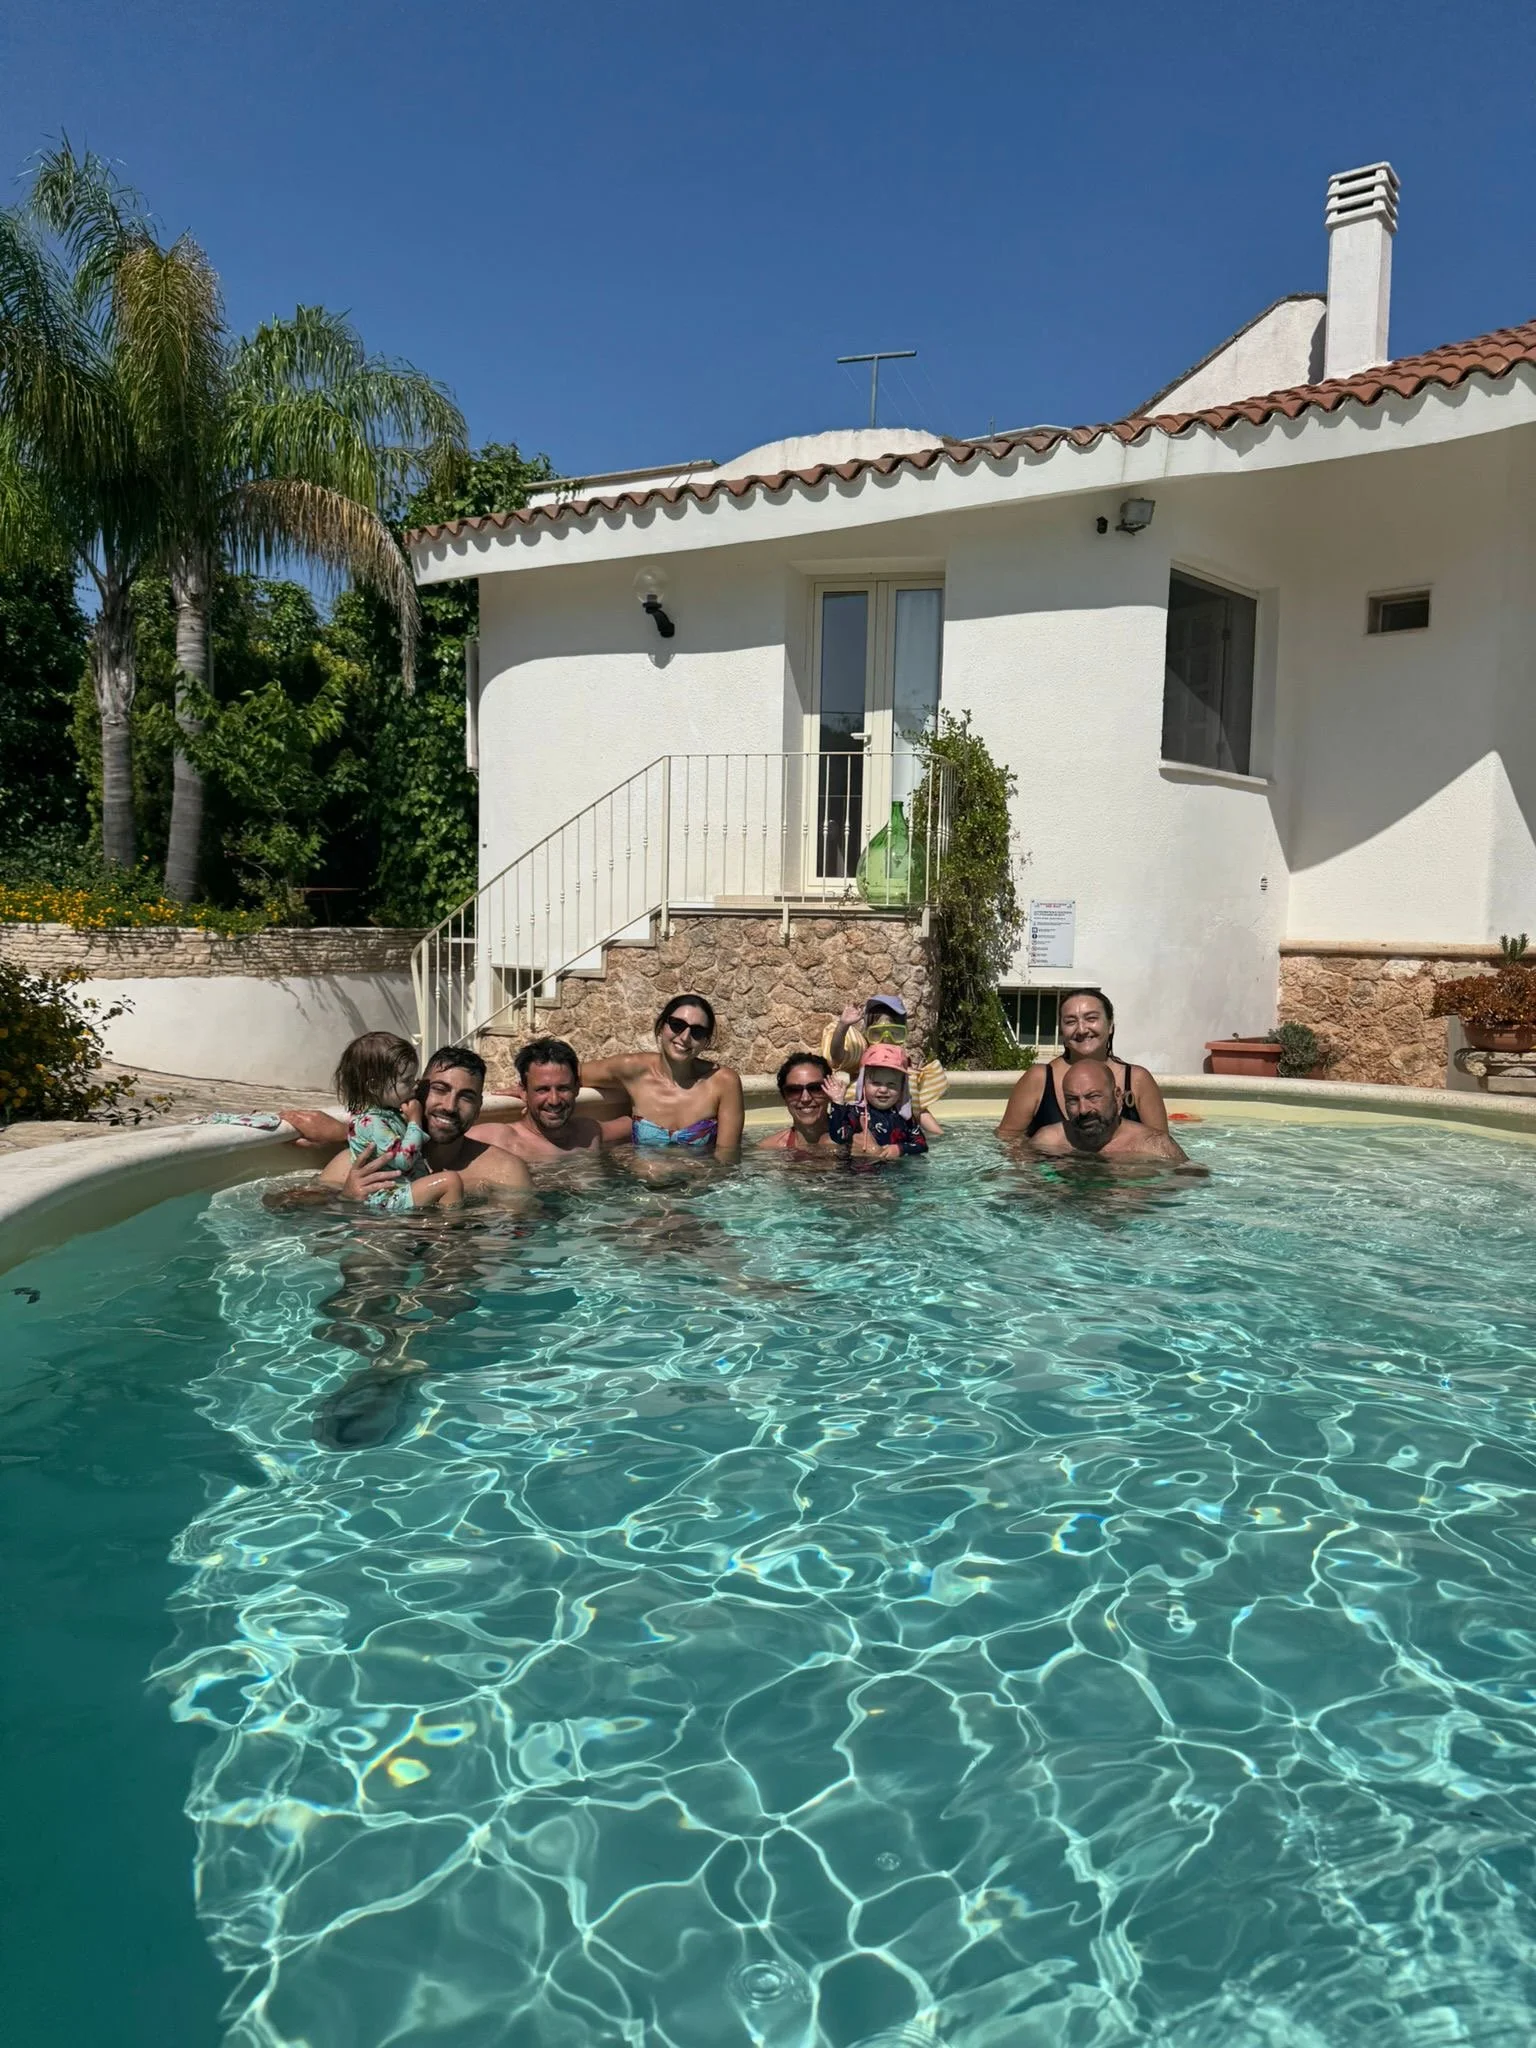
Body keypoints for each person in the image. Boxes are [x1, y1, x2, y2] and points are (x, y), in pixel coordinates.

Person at [307, 1046, 533, 1203]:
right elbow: (292, 1209)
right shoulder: (361, 1163)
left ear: (478, 1108)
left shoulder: (506, 1172)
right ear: (417, 1091)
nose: (450, 1106)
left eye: (466, 1097)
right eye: (440, 1089)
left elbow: (515, 1243)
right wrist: (346, 1198)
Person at [997, 987, 1169, 1141]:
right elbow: (1007, 1140)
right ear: (1061, 1030)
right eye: (1070, 1021)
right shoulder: (1039, 1078)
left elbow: (1161, 1146)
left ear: (1110, 1025)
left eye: (1091, 1018)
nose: (1081, 1029)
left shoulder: (1137, 1080)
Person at [582, 994, 745, 1152]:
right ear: (661, 1027)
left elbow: (727, 1158)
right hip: (641, 1178)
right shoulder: (633, 1069)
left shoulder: (723, 1082)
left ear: (706, 1042)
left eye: (697, 1032)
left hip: (699, 1179)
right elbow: (571, 1075)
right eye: (677, 1025)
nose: (685, 1037)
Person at [332, 1031, 464, 1213]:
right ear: (374, 1086)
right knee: (450, 1181)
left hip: (396, 1193)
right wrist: (414, 1121)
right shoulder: (371, 1123)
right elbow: (404, 1161)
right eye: (407, 1081)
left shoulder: (386, 1114)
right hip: (386, 1199)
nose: (415, 1085)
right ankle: (449, 1236)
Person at [1028, 1060, 1193, 1166]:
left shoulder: (1153, 1146)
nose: (1083, 1110)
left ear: (1118, 1096)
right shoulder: (1048, 1141)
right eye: (1072, 1100)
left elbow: (1191, 1187)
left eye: (1093, 1097)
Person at [824, 993, 946, 1134]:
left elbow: (917, 1108)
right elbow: (837, 1055)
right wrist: (843, 1026)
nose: (885, 1039)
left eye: (894, 1033)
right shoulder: (863, 1055)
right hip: (864, 1130)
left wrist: (941, 1137)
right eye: (877, 1033)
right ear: (867, 1033)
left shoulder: (902, 1061)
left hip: (896, 1131)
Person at [490, 1037, 609, 1160]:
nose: (554, 1100)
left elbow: (629, 1068)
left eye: (563, 1088)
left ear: (577, 1088)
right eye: (542, 1089)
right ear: (523, 1091)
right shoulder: (502, 1141)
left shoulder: (589, 1133)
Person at [827, 1044, 928, 1160]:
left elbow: (922, 1145)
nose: (883, 1090)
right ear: (863, 1085)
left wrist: (900, 1149)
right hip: (861, 1175)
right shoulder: (855, 1112)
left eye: (891, 1084)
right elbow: (838, 1136)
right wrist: (837, 1103)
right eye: (876, 1083)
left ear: (902, 1088)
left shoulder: (904, 1117)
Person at [758, 1053, 848, 1157]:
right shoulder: (769, 1150)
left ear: (829, 1091)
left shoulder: (857, 1143)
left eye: (815, 1088)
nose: (805, 1098)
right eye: (793, 1090)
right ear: (784, 1097)